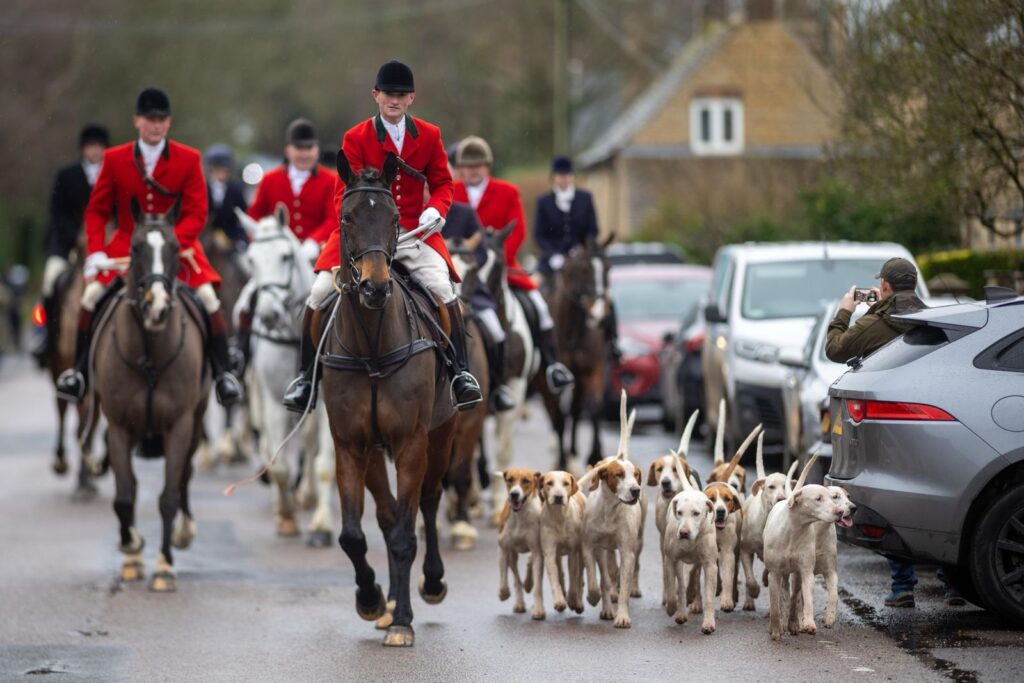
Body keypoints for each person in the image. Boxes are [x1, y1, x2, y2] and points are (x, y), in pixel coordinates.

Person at [282, 60, 482, 413]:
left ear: (411, 98)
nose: (395, 100)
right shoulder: (355, 137)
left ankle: (459, 373)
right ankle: (306, 377)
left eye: (402, 95)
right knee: (318, 293)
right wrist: (357, 228)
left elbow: (443, 183)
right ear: (376, 95)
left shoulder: (430, 135)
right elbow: (344, 192)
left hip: (413, 232)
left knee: (444, 288)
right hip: (364, 236)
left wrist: (437, 209)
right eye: (389, 94)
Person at [55, 87, 242, 407]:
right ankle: (80, 372)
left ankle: (223, 374)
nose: (156, 125)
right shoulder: (115, 159)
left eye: (161, 120)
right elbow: (97, 211)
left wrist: (171, 243)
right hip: (125, 244)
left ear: (168, 123)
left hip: (177, 245)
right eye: (150, 119)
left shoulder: (189, 158)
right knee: (89, 297)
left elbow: (197, 212)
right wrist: (97, 251)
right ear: (137, 121)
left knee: (210, 298)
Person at [824, 257, 963, 608]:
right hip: (938, 424)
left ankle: (902, 587)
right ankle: (951, 584)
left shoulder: (877, 322)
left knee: (896, 503)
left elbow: (835, 349)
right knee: (939, 500)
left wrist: (845, 310)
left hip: (891, 425)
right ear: (912, 285)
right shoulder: (934, 321)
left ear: (884, 286)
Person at [451, 136, 574, 393]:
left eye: (479, 165)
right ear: (460, 168)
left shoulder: (507, 192)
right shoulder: (451, 191)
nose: (473, 170)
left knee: (540, 307)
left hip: (501, 268)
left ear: (488, 166)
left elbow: (517, 231)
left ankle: (552, 367)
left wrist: (495, 262)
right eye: (468, 166)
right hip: (459, 272)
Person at [235, 119, 339, 367]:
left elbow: (334, 218)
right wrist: (262, 242)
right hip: (278, 260)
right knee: (244, 303)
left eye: (309, 148)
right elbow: (254, 215)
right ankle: (240, 359)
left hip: (316, 258)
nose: (304, 154)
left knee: (336, 300)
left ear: (316, 150)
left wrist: (314, 242)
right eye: (299, 148)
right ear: (288, 150)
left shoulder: (330, 180)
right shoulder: (270, 180)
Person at [32, 124, 110, 365]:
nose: (95, 151)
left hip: (104, 247)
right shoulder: (66, 176)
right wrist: (76, 235)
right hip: (67, 246)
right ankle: (48, 339)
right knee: (51, 280)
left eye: (99, 147)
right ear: (83, 149)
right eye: (91, 147)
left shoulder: (112, 175)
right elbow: (57, 213)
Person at [442, 184, 516, 412]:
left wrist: (467, 259)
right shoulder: (416, 212)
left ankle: (498, 388)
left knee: (495, 330)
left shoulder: (464, 213)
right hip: (432, 283)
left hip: (469, 285)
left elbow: (483, 252)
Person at [533, 155, 598, 275]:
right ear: (553, 177)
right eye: (560, 175)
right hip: (551, 260)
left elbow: (593, 229)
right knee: (534, 284)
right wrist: (553, 255)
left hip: (581, 258)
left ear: (572, 176)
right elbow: (539, 235)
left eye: (567, 175)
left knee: (598, 279)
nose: (564, 179)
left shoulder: (585, 198)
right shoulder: (543, 201)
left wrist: (581, 249)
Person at [204, 144, 248, 249]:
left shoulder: (236, 189)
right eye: (218, 169)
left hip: (231, 237)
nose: (222, 173)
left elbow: (242, 215)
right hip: (206, 235)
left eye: (225, 169)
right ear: (211, 169)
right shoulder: (202, 188)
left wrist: (240, 238)